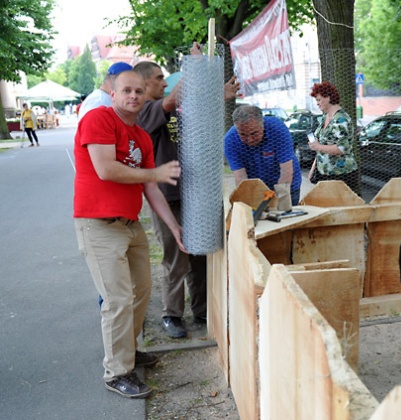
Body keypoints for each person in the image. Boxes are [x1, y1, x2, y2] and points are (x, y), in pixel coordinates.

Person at [73, 71, 186, 399]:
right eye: (126, 90)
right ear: (113, 92)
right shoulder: (100, 119)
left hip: (130, 224)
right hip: (99, 224)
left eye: (139, 91)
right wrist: (154, 172)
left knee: (141, 292)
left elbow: (150, 188)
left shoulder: (141, 136)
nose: (133, 96)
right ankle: (117, 372)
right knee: (118, 300)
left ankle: (130, 352)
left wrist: (175, 228)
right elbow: (106, 169)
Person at [133, 42, 241, 339]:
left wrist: (219, 95)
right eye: (158, 78)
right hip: (168, 199)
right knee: (176, 257)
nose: (164, 82)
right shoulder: (145, 112)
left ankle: (202, 310)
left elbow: (195, 110)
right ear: (143, 82)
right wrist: (198, 66)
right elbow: (175, 98)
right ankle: (172, 314)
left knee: (200, 256)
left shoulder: (173, 109)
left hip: (195, 193)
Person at [224, 105, 302, 204]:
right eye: (243, 134)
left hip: (287, 184)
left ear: (262, 124)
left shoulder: (277, 129)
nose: (249, 139)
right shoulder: (230, 141)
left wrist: (279, 201)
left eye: (254, 133)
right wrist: (249, 203)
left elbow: (286, 171)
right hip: (256, 189)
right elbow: (241, 178)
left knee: (285, 214)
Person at [308, 81, 360, 195]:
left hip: (342, 175)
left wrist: (318, 146)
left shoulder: (341, 119)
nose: (317, 103)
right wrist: (313, 168)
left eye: (318, 99)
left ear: (328, 97)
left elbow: (341, 149)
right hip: (325, 174)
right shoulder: (325, 117)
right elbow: (321, 146)